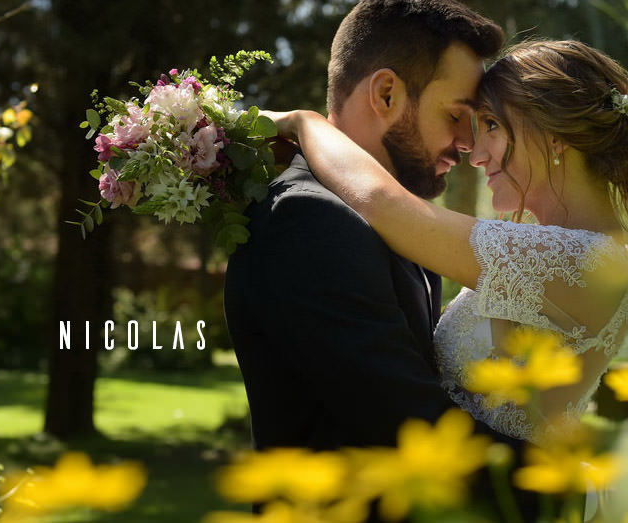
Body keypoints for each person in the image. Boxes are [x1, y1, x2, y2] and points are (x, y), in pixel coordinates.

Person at [265, 39, 628, 444]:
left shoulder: (583, 261)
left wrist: (305, 123)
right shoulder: (568, 253)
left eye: (491, 125)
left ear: (555, 134)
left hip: (485, 495)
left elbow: (383, 204)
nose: (474, 155)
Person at [224, 0, 537, 458]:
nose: (469, 144)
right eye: (455, 115)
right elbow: (406, 428)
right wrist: (568, 488)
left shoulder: (394, 222)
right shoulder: (308, 221)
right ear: (386, 94)